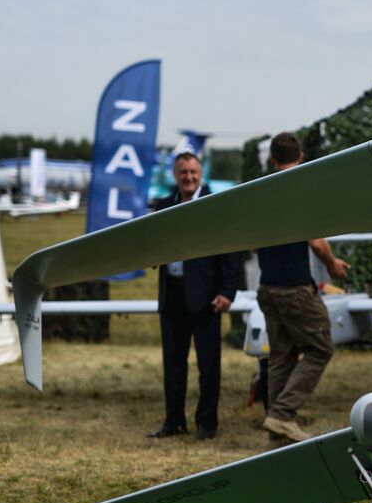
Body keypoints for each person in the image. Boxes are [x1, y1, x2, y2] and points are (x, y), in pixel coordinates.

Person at [256, 132, 350, 443]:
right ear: (301, 158)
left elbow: (254, 245)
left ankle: (276, 427)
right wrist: (334, 264)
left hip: (267, 287)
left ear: (272, 159)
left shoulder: (259, 192)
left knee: (281, 356)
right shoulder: (302, 192)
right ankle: (282, 414)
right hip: (296, 289)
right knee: (320, 349)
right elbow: (317, 242)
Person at [149, 152, 239, 441]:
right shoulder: (163, 206)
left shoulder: (216, 205)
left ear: (201, 175)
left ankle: (207, 424)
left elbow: (231, 251)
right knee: (173, 365)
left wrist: (227, 292)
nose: (188, 177)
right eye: (183, 172)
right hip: (172, 294)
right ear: (175, 175)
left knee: (208, 366)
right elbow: (151, 244)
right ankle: (174, 421)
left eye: (193, 172)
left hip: (206, 297)